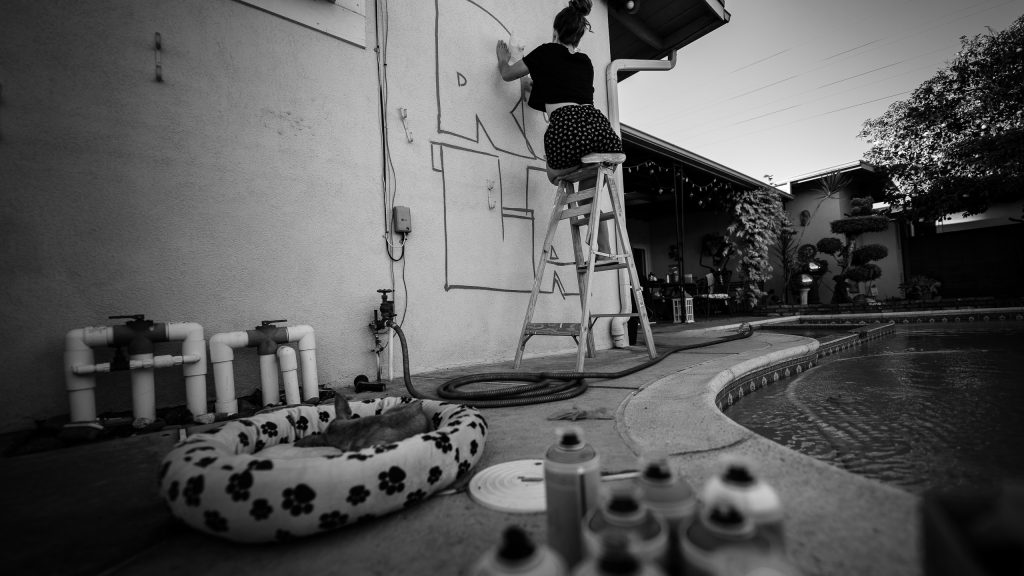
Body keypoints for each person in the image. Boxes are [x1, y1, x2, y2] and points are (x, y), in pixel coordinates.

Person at [496, 0, 622, 258]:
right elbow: (561, 91)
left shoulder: (546, 52)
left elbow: (508, 75)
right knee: (589, 193)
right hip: (601, 133)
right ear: (578, 36)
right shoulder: (585, 62)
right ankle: (604, 250)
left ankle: (597, 244)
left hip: (568, 130)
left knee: (554, 173)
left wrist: (503, 61)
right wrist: (532, 84)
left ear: (555, 31)